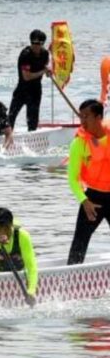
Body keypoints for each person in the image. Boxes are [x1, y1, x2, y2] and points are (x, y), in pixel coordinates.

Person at [67, 99, 110, 264]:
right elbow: (72, 178)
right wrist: (84, 201)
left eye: (87, 117)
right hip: (92, 198)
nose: (82, 121)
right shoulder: (78, 143)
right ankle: (71, 281)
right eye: (80, 117)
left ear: (98, 117)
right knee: (80, 241)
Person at [0, 207, 37, 306]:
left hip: (21, 277)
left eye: (6, 228)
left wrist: (31, 290)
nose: (2, 233)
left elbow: (31, 266)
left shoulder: (22, 235)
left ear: (11, 225)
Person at [8, 29, 51, 132]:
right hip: (22, 89)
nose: (35, 46)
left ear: (42, 43)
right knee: (11, 115)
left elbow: (46, 69)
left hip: (36, 90)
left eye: (38, 43)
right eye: (33, 43)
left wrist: (49, 72)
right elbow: (26, 77)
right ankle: (7, 135)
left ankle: (32, 137)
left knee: (33, 119)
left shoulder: (45, 54)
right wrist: (43, 71)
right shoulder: (25, 54)